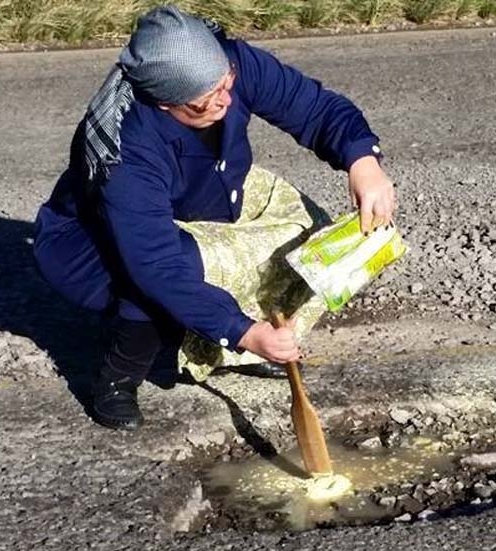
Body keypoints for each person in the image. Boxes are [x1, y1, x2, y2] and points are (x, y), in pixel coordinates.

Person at [33, 5, 395, 430]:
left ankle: (231, 346)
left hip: (205, 194)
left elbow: (315, 108)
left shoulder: (230, 64)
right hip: (97, 245)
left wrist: (362, 162)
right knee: (180, 272)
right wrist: (242, 331)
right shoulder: (125, 151)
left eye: (227, 86)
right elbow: (157, 266)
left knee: (313, 237)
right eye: (205, 102)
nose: (225, 99)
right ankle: (118, 377)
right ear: (165, 103)